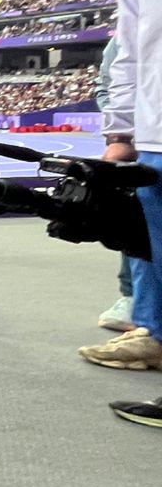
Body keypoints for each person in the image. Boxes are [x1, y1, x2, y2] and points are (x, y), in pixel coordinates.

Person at [76, 0, 162, 403]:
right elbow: (127, 57)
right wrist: (121, 132)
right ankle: (152, 333)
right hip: (156, 137)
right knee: (152, 243)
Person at [95, 36, 136, 333]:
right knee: (140, 215)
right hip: (147, 141)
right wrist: (121, 136)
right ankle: (133, 298)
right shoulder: (127, 35)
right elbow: (108, 86)